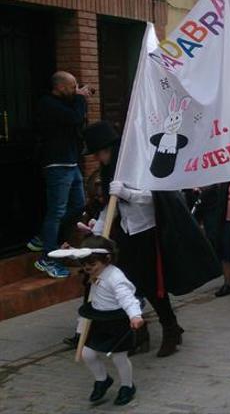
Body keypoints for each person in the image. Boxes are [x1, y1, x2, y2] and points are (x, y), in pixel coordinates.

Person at [84, 121, 220, 358]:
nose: (98, 158)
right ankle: (140, 332)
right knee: (127, 284)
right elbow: (112, 206)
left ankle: (171, 329)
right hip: (126, 233)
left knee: (153, 286)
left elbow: (152, 197)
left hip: (149, 232)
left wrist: (126, 193)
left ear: (110, 149)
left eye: (99, 152)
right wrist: (98, 225)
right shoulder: (109, 172)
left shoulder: (139, 164)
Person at [50, 236, 143, 406]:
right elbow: (78, 257)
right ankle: (102, 380)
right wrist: (70, 249)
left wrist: (135, 315)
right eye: (84, 264)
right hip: (99, 319)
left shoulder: (116, 278)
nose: (87, 268)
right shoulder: (96, 268)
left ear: (107, 259)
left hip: (117, 321)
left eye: (92, 265)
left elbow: (128, 298)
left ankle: (127, 386)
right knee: (87, 353)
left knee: (118, 358)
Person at [31, 71, 91, 278]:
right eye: (72, 87)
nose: (75, 90)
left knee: (78, 205)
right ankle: (47, 258)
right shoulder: (48, 104)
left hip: (71, 162)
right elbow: (75, 118)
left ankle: (43, 236)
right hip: (56, 164)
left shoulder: (66, 103)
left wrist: (79, 99)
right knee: (56, 211)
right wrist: (81, 99)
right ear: (60, 87)